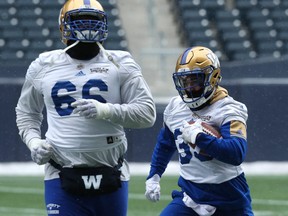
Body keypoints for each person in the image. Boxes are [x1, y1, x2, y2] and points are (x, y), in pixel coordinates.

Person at [15, 0, 156, 215]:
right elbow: (27, 113)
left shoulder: (120, 62)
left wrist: (106, 111)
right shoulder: (44, 64)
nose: (87, 27)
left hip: (111, 170)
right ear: (64, 25)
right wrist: (34, 142)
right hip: (61, 171)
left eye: (93, 21)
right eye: (79, 21)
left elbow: (147, 114)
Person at [145, 46, 254, 216]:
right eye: (184, 81)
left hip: (228, 196)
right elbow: (165, 143)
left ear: (213, 77)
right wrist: (154, 175)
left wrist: (200, 138)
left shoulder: (228, 109)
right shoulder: (175, 107)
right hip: (191, 195)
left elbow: (236, 153)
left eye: (194, 80)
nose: (188, 87)